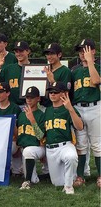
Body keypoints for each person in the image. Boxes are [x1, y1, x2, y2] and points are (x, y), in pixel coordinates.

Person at [44, 81, 83, 195]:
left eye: (55, 92)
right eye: (51, 92)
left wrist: (70, 109)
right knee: (57, 183)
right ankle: (70, 178)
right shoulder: (47, 110)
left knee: (71, 157)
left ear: (64, 93)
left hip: (65, 145)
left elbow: (80, 127)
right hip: (51, 149)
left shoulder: (69, 108)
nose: (52, 94)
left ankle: (69, 186)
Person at [72, 39, 101, 188]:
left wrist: (90, 62)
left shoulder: (98, 67)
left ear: (93, 51)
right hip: (79, 108)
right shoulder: (75, 71)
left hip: (95, 107)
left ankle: (100, 176)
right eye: (81, 51)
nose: (83, 53)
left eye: (86, 50)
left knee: (97, 144)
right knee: (81, 144)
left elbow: (96, 80)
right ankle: (80, 175)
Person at [17, 86, 46, 189]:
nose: (29, 100)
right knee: (35, 179)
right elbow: (18, 134)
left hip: (38, 147)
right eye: (27, 97)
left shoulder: (41, 115)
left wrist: (32, 120)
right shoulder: (21, 115)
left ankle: (27, 181)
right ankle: (40, 177)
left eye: (32, 97)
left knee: (28, 151)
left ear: (38, 98)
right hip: (23, 148)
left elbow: (41, 136)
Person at [0, 41, 31, 107]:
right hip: (11, 106)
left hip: (28, 105)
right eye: (16, 52)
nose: (18, 54)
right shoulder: (9, 68)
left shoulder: (34, 69)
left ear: (28, 51)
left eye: (21, 51)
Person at [41, 43, 72, 108]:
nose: (49, 57)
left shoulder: (65, 71)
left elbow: (65, 93)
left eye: (52, 54)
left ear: (59, 54)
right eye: (47, 54)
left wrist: (52, 81)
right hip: (44, 105)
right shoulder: (45, 69)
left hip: (58, 107)